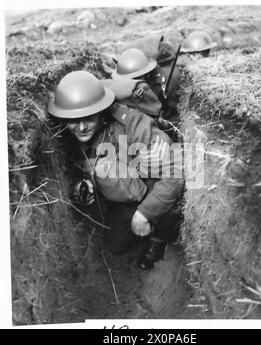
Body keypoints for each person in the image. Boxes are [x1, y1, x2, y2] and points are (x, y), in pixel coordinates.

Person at [47, 70, 184, 270]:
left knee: (170, 212)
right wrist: (81, 184)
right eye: (74, 120)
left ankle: (158, 240)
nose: (82, 127)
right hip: (121, 197)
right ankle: (141, 233)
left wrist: (146, 213)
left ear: (102, 112)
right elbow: (73, 168)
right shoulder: (64, 135)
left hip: (149, 189)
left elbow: (177, 171)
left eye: (89, 118)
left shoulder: (132, 124)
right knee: (116, 246)